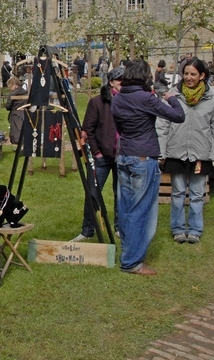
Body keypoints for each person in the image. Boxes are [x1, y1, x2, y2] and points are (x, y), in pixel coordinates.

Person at [111, 59, 185, 276]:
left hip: (124, 155)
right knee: (140, 210)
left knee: (125, 208)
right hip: (143, 157)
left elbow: (120, 127)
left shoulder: (118, 98)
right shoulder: (146, 98)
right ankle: (132, 261)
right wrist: (172, 99)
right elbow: (178, 116)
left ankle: (127, 252)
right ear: (145, 77)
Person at [157, 58, 214, 245]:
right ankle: (178, 229)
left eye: (193, 74)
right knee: (178, 192)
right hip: (177, 151)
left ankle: (195, 229)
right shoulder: (173, 95)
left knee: (197, 194)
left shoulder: (211, 97)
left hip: (200, 153)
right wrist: (161, 151)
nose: (188, 77)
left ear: (202, 75)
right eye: (186, 73)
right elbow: (162, 124)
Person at [71, 66, 124, 242]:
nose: (123, 85)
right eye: (120, 81)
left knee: (121, 193)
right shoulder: (97, 102)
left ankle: (119, 227)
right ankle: (87, 230)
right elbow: (88, 129)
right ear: (111, 83)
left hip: (123, 155)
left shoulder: (128, 100)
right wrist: (97, 152)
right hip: (102, 156)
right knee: (93, 192)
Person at [4, 77, 25, 145]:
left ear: (15, 85)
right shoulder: (26, 92)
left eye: (10, 86)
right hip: (25, 113)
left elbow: (8, 106)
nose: (10, 88)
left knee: (16, 131)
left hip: (15, 114)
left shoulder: (13, 94)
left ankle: (17, 145)